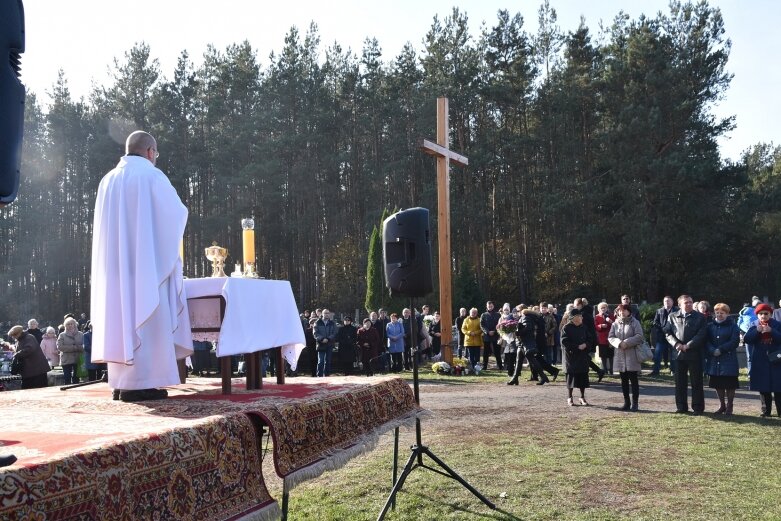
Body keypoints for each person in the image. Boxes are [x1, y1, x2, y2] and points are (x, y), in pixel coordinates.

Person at [90, 131, 193, 402]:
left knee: (120, 315)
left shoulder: (107, 181)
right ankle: (142, 383)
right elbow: (177, 214)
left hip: (115, 270)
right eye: (155, 154)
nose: (155, 158)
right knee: (147, 314)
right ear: (150, 151)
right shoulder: (152, 176)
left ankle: (121, 382)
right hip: (146, 269)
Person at [664, 294, 707, 414]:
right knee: (679, 382)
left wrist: (689, 345)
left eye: (690, 302)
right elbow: (667, 333)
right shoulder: (672, 316)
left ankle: (698, 407)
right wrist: (676, 344)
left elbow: (702, 334)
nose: (689, 304)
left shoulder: (700, 317)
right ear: (679, 305)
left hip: (694, 353)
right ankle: (681, 407)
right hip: (678, 353)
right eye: (686, 302)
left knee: (696, 382)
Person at [743, 303, 781, 417]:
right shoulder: (753, 325)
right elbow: (747, 339)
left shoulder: (777, 325)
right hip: (760, 360)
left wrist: (771, 331)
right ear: (757, 315)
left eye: (766, 313)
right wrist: (757, 331)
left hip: (776, 360)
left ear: (770, 314)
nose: (763, 316)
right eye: (761, 314)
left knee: (778, 387)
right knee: (763, 387)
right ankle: (766, 411)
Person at [705, 303, 740, 415]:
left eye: (722, 313)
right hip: (714, 358)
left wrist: (721, 349)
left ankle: (730, 405)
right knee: (717, 383)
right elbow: (706, 341)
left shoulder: (733, 326)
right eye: (717, 313)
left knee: (730, 384)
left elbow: (734, 341)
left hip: (728, 358)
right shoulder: (710, 326)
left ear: (727, 314)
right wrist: (712, 350)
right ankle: (722, 405)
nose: (719, 315)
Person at [609, 304, 644, 411]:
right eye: (620, 311)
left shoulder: (635, 322)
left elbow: (639, 336)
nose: (622, 312)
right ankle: (626, 403)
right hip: (620, 354)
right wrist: (619, 343)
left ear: (629, 311)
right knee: (623, 381)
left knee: (634, 380)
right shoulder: (615, 323)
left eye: (624, 310)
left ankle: (635, 404)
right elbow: (610, 337)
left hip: (632, 354)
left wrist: (627, 343)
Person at [561, 309, 591, 406]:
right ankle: (570, 397)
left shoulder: (584, 327)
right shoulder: (566, 328)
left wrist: (586, 344)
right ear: (573, 318)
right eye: (579, 316)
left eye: (581, 316)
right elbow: (564, 342)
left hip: (582, 356)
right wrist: (577, 346)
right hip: (571, 357)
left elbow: (590, 339)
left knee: (583, 377)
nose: (581, 318)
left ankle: (582, 397)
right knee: (571, 378)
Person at [651, 296, 678, 376]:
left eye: (668, 301)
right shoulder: (659, 311)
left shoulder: (677, 311)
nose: (667, 303)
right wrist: (662, 328)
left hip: (673, 336)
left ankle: (673, 370)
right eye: (665, 301)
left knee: (673, 355)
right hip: (661, 337)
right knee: (657, 354)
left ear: (672, 302)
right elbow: (655, 322)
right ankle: (656, 371)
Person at [57, 317, 84, 385]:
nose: (70, 325)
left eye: (71, 324)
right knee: (67, 378)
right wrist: (74, 348)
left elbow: (84, 346)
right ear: (65, 325)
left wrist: (79, 348)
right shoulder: (62, 335)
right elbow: (60, 347)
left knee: (76, 378)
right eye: (68, 324)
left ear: (75, 324)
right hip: (66, 359)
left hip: (77, 359)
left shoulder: (81, 334)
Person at [314, 309, 338, 377]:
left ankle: (327, 376)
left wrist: (328, 339)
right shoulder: (317, 322)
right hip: (320, 344)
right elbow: (315, 333)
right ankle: (319, 376)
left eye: (328, 313)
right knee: (320, 361)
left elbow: (334, 333)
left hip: (329, 344)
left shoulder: (332, 323)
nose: (327, 314)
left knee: (328, 361)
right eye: (325, 313)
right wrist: (322, 339)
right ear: (322, 314)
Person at [480, 301, 502, 370]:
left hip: (495, 335)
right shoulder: (483, 315)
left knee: (497, 352)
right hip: (487, 336)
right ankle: (484, 366)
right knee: (486, 352)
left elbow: (500, 324)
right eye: (489, 306)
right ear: (487, 307)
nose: (490, 307)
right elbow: (482, 325)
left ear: (493, 306)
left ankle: (500, 366)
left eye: (491, 306)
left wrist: (494, 331)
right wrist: (487, 331)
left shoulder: (498, 315)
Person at [594, 302, 614, 375]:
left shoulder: (611, 316)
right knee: (603, 355)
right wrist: (601, 326)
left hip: (610, 338)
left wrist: (611, 322)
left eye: (604, 307)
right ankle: (604, 369)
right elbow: (595, 326)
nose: (603, 309)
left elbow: (615, 325)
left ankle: (611, 370)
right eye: (601, 308)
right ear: (599, 309)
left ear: (607, 308)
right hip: (601, 338)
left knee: (611, 355)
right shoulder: (597, 317)